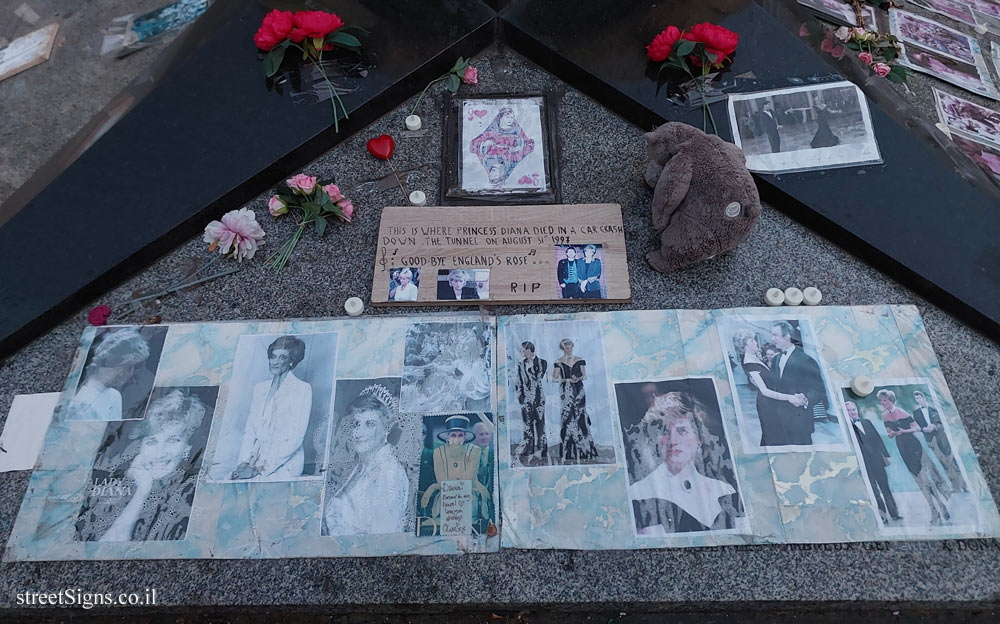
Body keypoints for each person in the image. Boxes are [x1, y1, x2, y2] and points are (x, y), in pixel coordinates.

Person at [77, 390, 206, 541]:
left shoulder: (189, 493)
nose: (159, 454)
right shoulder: (121, 484)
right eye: (152, 441)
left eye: (173, 440)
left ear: (187, 448)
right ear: (141, 446)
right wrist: (142, 489)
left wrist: (142, 492)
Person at [628, 394, 736, 534]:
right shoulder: (639, 493)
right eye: (665, 431)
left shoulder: (723, 490)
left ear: (699, 438)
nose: (673, 440)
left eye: (682, 431)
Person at [324, 385, 409, 535]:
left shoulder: (390, 472)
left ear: (387, 427)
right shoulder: (363, 466)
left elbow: (383, 537)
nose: (358, 433)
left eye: (370, 424)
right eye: (357, 424)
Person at [231, 336, 313, 481]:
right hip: (254, 460)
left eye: (282, 357)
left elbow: (295, 437)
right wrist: (243, 462)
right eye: (273, 356)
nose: (275, 362)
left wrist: (259, 468)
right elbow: (250, 430)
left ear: (291, 361)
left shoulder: (302, 389)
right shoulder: (259, 388)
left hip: (283, 463)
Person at [880, 389, 951, 525]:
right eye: (881, 401)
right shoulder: (884, 416)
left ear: (891, 400)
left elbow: (917, 427)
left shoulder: (902, 412)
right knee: (919, 480)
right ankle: (934, 510)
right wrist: (893, 434)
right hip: (902, 448)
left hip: (914, 445)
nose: (883, 403)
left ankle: (940, 506)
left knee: (925, 479)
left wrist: (903, 431)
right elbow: (888, 433)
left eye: (885, 400)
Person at [732, 331, 806, 447]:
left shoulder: (754, 357)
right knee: (774, 437)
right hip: (767, 405)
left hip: (774, 402)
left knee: (775, 435)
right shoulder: (749, 363)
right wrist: (790, 397)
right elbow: (765, 391)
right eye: (752, 341)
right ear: (744, 346)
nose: (756, 342)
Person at [420, 415, 491, 524]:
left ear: (465, 437)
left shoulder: (474, 451)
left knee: (472, 509)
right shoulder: (438, 453)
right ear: (448, 437)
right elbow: (441, 480)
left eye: (460, 435)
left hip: (469, 493)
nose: (457, 439)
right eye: (453, 435)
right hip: (446, 494)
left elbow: (469, 478)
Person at [67, 329, 151, 421]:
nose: (130, 373)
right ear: (116, 363)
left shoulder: (114, 396)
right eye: (128, 367)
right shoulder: (81, 403)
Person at [768, 321, 826, 446]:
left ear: (787, 336)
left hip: (799, 421)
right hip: (778, 418)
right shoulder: (777, 358)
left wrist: (804, 400)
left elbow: (818, 390)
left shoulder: (806, 360)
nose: (772, 339)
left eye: (775, 335)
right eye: (771, 335)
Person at [845, 400, 900, 523]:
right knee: (874, 490)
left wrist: (885, 455)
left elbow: (877, 439)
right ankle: (882, 516)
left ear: (857, 410)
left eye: (853, 409)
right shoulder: (846, 427)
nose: (851, 412)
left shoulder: (866, 422)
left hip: (877, 459)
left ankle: (894, 514)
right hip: (863, 462)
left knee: (885, 487)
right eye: (848, 410)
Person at [551, 338, 598, 461]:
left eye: (571, 347)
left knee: (581, 415)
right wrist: (566, 380)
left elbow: (585, 376)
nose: (569, 349)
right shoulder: (559, 361)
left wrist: (578, 378)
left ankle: (585, 450)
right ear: (563, 349)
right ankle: (569, 451)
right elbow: (554, 378)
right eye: (567, 347)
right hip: (566, 390)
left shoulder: (579, 360)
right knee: (568, 417)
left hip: (578, 389)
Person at [912, 390, 966, 493]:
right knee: (943, 463)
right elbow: (917, 426)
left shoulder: (934, 409)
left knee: (951, 461)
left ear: (923, 398)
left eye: (919, 397)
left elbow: (941, 423)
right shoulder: (916, 413)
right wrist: (924, 429)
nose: (918, 400)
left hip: (941, 438)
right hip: (931, 441)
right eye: (916, 398)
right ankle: (956, 487)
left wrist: (934, 426)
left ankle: (964, 485)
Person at [514, 341, 548, 458]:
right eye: (521, 350)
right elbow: (518, 382)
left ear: (529, 350)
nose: (521, 352)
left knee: (540, 424)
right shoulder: (520, 364)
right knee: (527, 425)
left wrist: (529, 367)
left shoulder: (542, 362)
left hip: (538, 398)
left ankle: (542, 449)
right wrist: (520, 397)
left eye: (523, 350)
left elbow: (538, 377)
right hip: (525, 400)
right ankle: (529, 449)